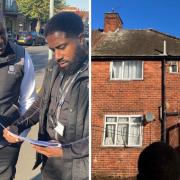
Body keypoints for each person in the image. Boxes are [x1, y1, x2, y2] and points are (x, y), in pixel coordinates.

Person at [4, 12, 89, 180]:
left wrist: (65, 151)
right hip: (50, 166)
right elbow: (40, 103)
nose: (57, 56)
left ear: (80, 39)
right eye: (52, 50)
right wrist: (17, 126)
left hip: (79, 170)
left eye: (62, 47)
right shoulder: (53, 67)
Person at [0, 16, 36, 179]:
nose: (1, 40)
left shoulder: (21, 56)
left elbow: (28, 99)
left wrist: (21, 131)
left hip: (8, 141)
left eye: (3, 33)